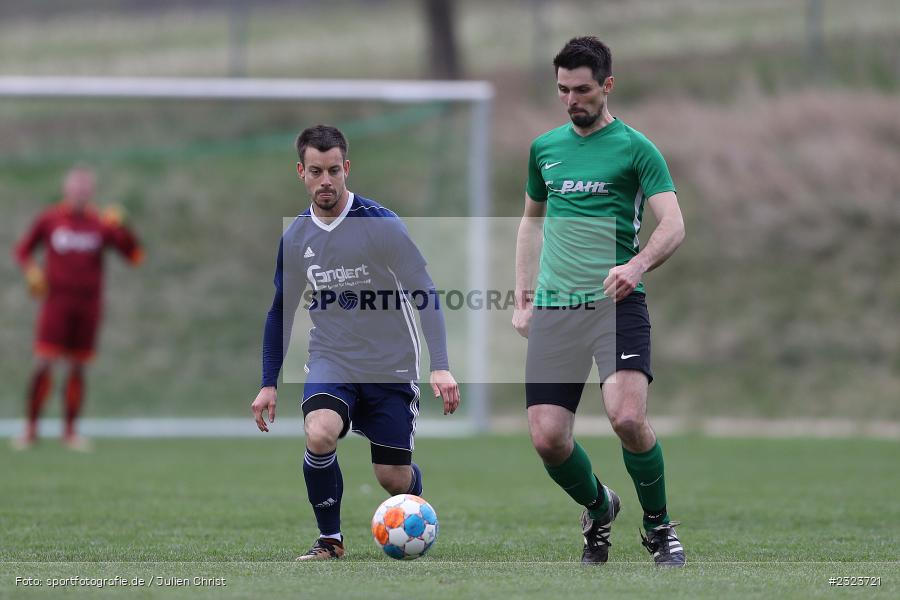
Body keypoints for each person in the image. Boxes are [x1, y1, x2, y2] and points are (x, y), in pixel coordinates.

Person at [512, 36, 687, 566]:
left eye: (582, 89)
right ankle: (598, 506)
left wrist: (636, 266)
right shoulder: (544, 149)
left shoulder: (637, 148)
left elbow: (674, 224)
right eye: (563, 90)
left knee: (627, 418)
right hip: (556, 308)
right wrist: (522, 299)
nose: (571, 100)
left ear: (607, 85)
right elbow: (529, 224)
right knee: (547, 439)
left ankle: (658, 527)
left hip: (617, 305)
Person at [251, 125, 460, 561]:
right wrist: (268, 382)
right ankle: (330, 540)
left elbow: (425, 290)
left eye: (333, 170)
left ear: (346, 168)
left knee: (393, 479)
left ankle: (412, 502)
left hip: (391, 365)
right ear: (301, 173)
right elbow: (280, 311)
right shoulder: (295, 239)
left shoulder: (380, 224)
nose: (325, 180)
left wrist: (440, 364)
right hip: (333, 359)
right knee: (320, 432)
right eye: (315, 171)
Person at [12, 166, 143, 451]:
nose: (80, 193)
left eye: (85, 188)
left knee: (78, 366)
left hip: (88, 306)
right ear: (66, 189)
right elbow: (22, 250)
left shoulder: (101, 224)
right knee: (44, 363)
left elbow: (134, 256)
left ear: (91, 192)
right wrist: (32, 270)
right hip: (56, 303)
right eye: (76, 187)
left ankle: (70, 432)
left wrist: (124, 226)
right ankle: (30, 429)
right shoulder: (50, 219)